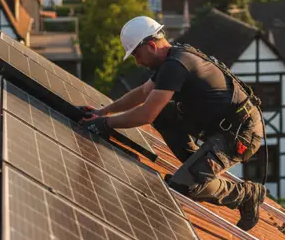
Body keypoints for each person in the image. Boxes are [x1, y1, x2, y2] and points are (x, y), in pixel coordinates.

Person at [81, 15, 267, 231]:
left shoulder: (176, 65)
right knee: (163, 112)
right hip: (222, 126)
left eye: (136, 55)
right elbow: (143, 93)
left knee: (183, 186)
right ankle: (194, 166)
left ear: (151, 46)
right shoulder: (174, 57)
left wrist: (106, 124)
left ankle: (246, 195)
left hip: (240, 134)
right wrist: (103, 112)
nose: (137, 62)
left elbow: (146, 115)